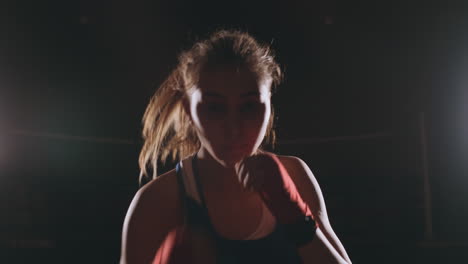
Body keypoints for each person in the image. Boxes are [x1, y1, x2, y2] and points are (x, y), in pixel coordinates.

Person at [120, 29, 352, 264]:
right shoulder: (158, 201)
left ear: (269, 105)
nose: (234, 129)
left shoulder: (294, 174)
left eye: (249, 107)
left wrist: (297, 219)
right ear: (190, 109)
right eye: (215, 108)